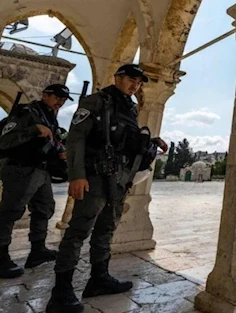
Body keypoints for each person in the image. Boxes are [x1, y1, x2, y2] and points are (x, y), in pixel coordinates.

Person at [46, 64, 168, 313]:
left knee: (105, 230)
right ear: (117, 78)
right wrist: (77, 176)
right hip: (95, 178)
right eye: (131, 79)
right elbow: (77, 138)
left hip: (118, 180)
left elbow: (124, 141)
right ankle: (61, 291)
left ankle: (99, 278)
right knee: (79, 231)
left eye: (140, 82)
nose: (136, 85)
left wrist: (150, 142)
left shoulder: (129, 108)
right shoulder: (96, 102)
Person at [0, 84, 72, 279]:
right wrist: (33, 130)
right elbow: (4, 140)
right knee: (10, 212)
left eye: (64, 99)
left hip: (41, 170)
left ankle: (37, 250)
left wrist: (60, 154)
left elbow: (50, 143)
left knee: (45, 208)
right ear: (45, 95)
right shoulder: (26, 113)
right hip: (21, 168)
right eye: (57, 97)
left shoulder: (50, 117)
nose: (60, 102)